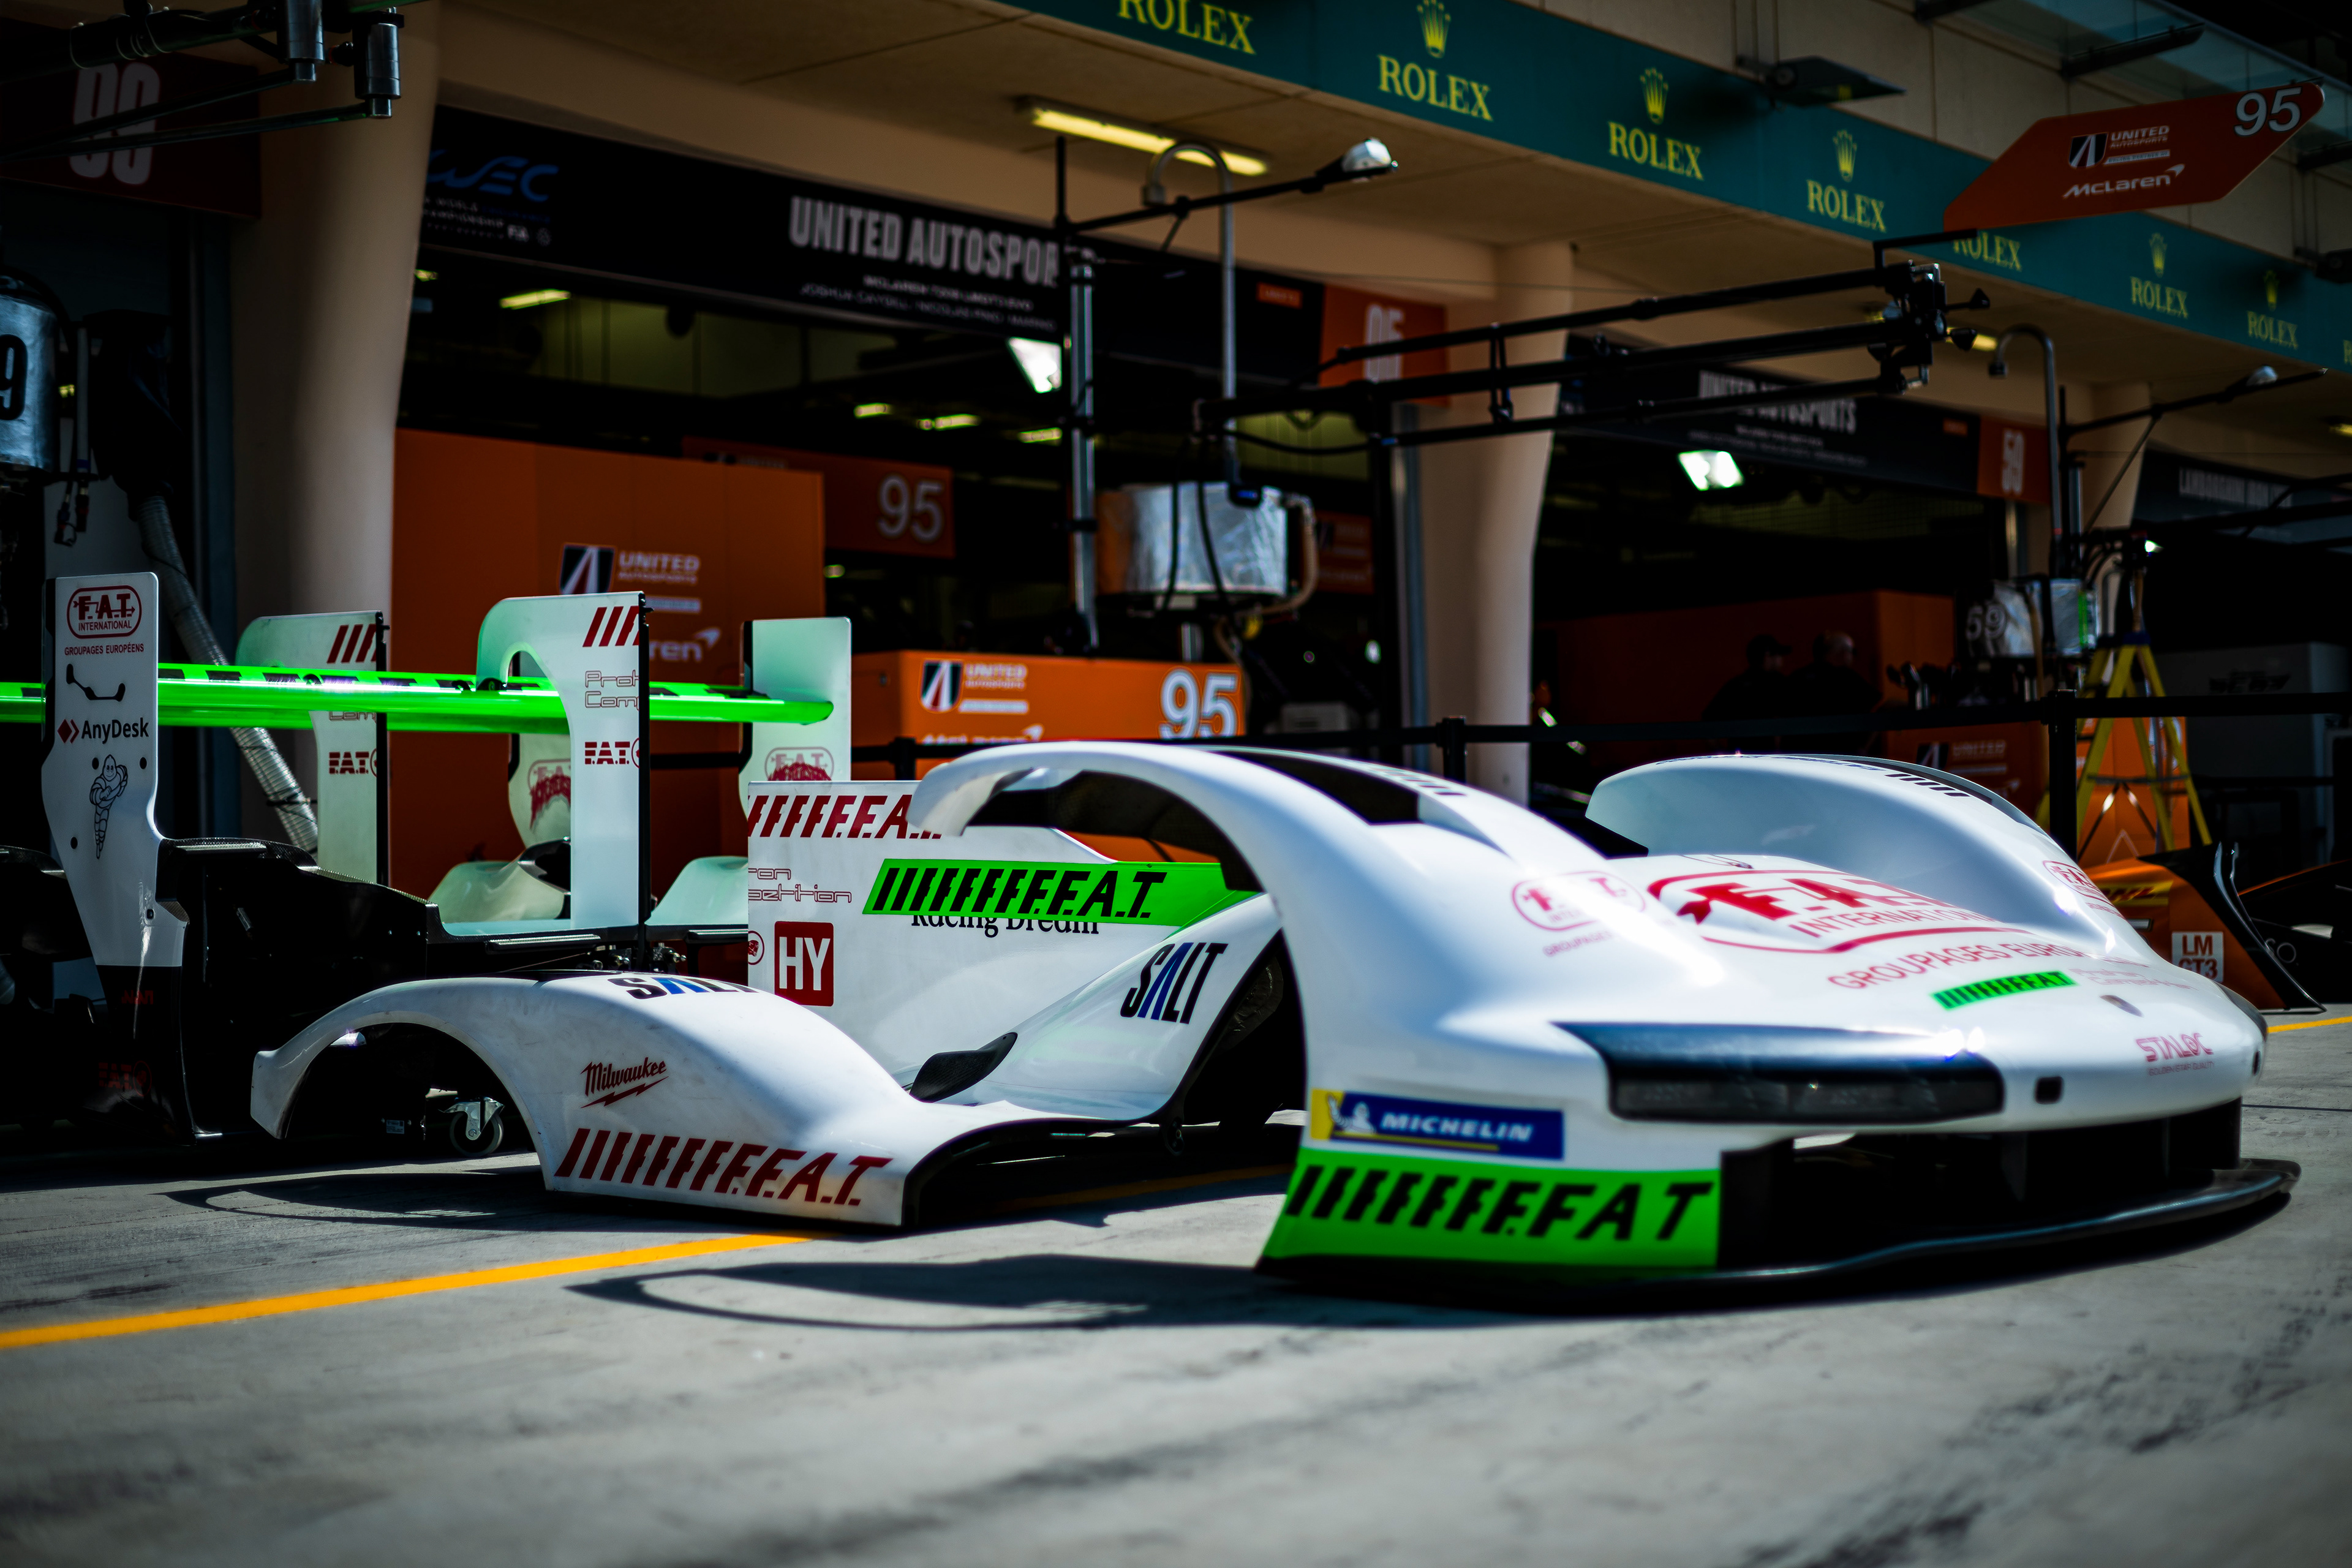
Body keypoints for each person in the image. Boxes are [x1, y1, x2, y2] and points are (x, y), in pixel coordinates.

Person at [1784, 631, 1884, 753]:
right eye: (1852, 652)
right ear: (1844, 652)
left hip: (1801, 751)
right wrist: (1864, 747)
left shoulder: (1798, 677)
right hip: (1842, 751)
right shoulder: (1849, 678)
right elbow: (1877, 707)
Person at [1703, 633, 1791, 728]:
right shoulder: (1780, 684)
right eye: (1779, 654)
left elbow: (1709, 716)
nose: (1781, 659)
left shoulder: (1736, 685)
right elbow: (1710, 717)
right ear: (1767, 656)